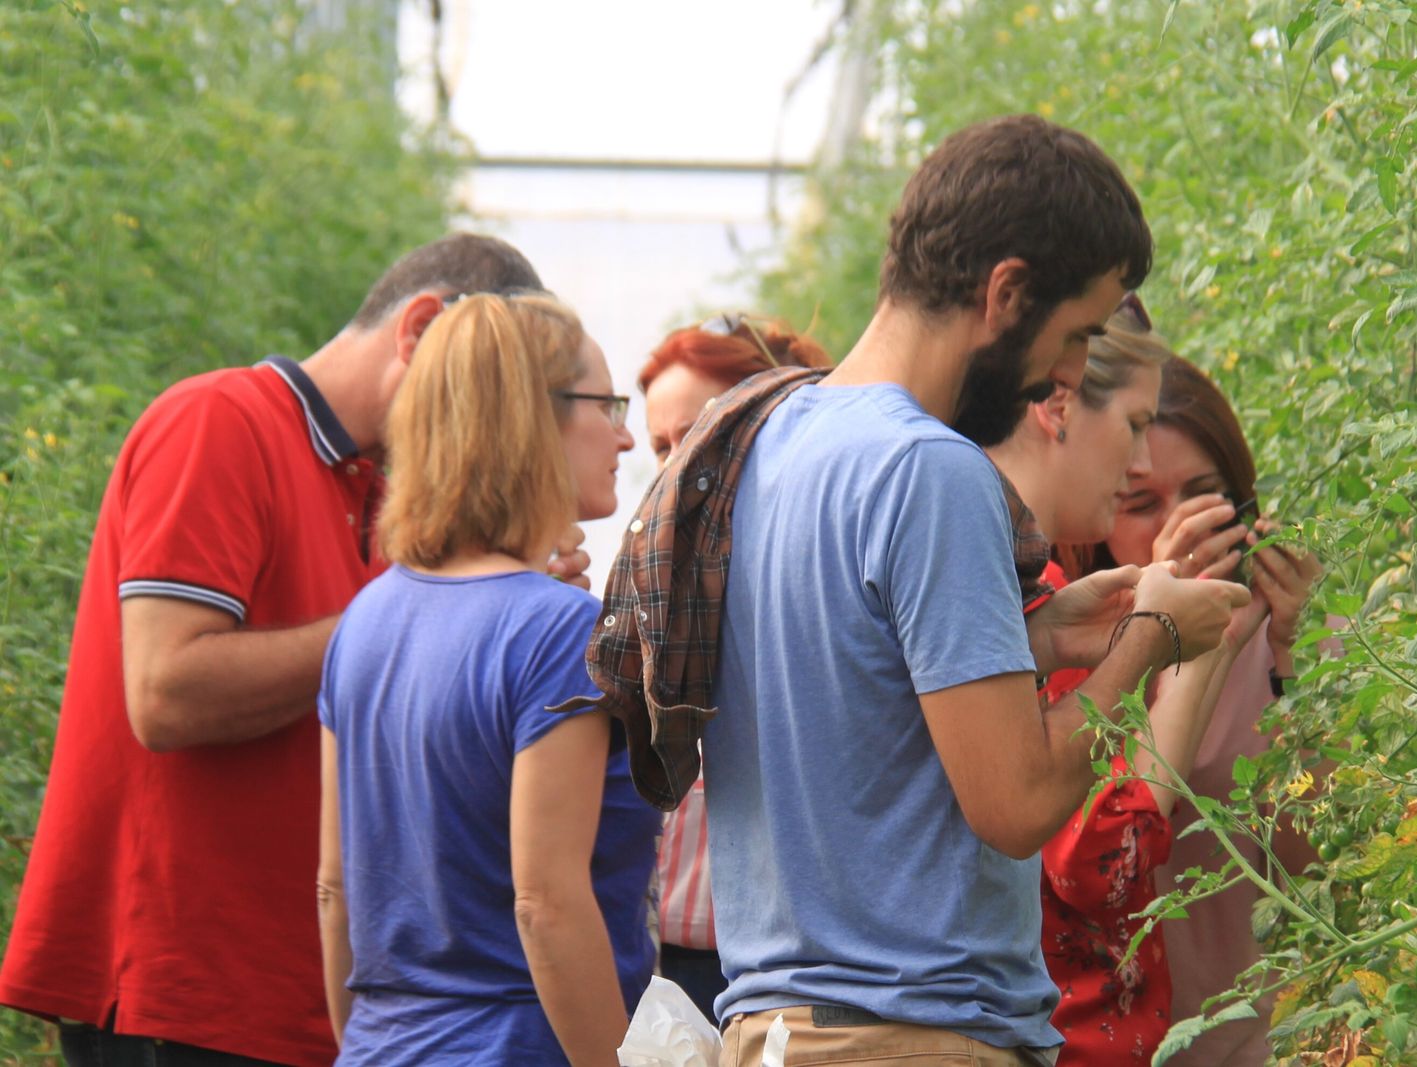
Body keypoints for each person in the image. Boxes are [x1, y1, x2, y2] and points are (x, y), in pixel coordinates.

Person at [607, 114, 1249, 1065]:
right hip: (910, 1035)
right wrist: (1150, 634)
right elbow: (1017, 801)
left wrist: (1041, 638)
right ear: (1007, 293)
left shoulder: (770, 440)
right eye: (1075, 333)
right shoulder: (929, 469)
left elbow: (851, 691)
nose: (1068, 373)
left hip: (778, 1031)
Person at [0, 234, 558, 1067]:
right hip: (184, 988)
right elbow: (164, 692)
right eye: (490, 385)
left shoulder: (386, 495)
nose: (501, 425)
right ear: (418, 330)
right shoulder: (219, 420)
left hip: (296, 995)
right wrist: (415, 618)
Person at [316, 293, 657, 1066]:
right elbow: (546, 905)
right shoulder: (560, 631)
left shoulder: (364, 619)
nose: (626, 433)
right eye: (606, 404)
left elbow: (335, 888)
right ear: (533, 420)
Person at [989, 303, 1269, 1064]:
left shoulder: (1056, 602)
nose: (1138, 462)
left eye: (1207, 497)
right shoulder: (1029, 588)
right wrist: (1171, 638)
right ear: (1057, 405)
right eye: (1136, 426)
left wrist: (1277, 651)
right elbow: (1100, 861)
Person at [1102, 356, 1323, 1067]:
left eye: (1203, 496)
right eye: (1143, 503)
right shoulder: (1079, 654)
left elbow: (1322, 872)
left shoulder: (1283, 632)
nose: (1183, 526)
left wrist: (1296, 656)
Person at [636, 314, 831, 1022]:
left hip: (796, 966)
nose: (673, 466)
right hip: (671, 961)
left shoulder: (819, 571)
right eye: (660, 446)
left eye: (693, 436)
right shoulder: (653, 579)